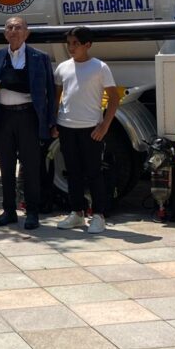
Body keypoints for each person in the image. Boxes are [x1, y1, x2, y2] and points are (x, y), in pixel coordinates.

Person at [0, 16, 57, 229]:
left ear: (27, 33)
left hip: (28, 116)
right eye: (10, 27)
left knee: (32, 166)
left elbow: (49, 91)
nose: (13, 31)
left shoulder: (39, 57)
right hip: (3, 117)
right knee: (6, 166)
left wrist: (51, 121)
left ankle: (32, 212)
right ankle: (9, 211)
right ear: (5, 33)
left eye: (18, 27)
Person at [53, 26, 120, 235]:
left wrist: (104, 125)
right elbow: (57, 96)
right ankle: (77, 212)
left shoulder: (100, 67)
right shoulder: (62, 68)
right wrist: (54, 122)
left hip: (91, 129)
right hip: (66, 127)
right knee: (73, 172)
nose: (71, 47)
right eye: (69, 43)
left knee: (94, 172)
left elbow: (114, 98)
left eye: (76, 43)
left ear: (88, 45)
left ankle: (98, 215)